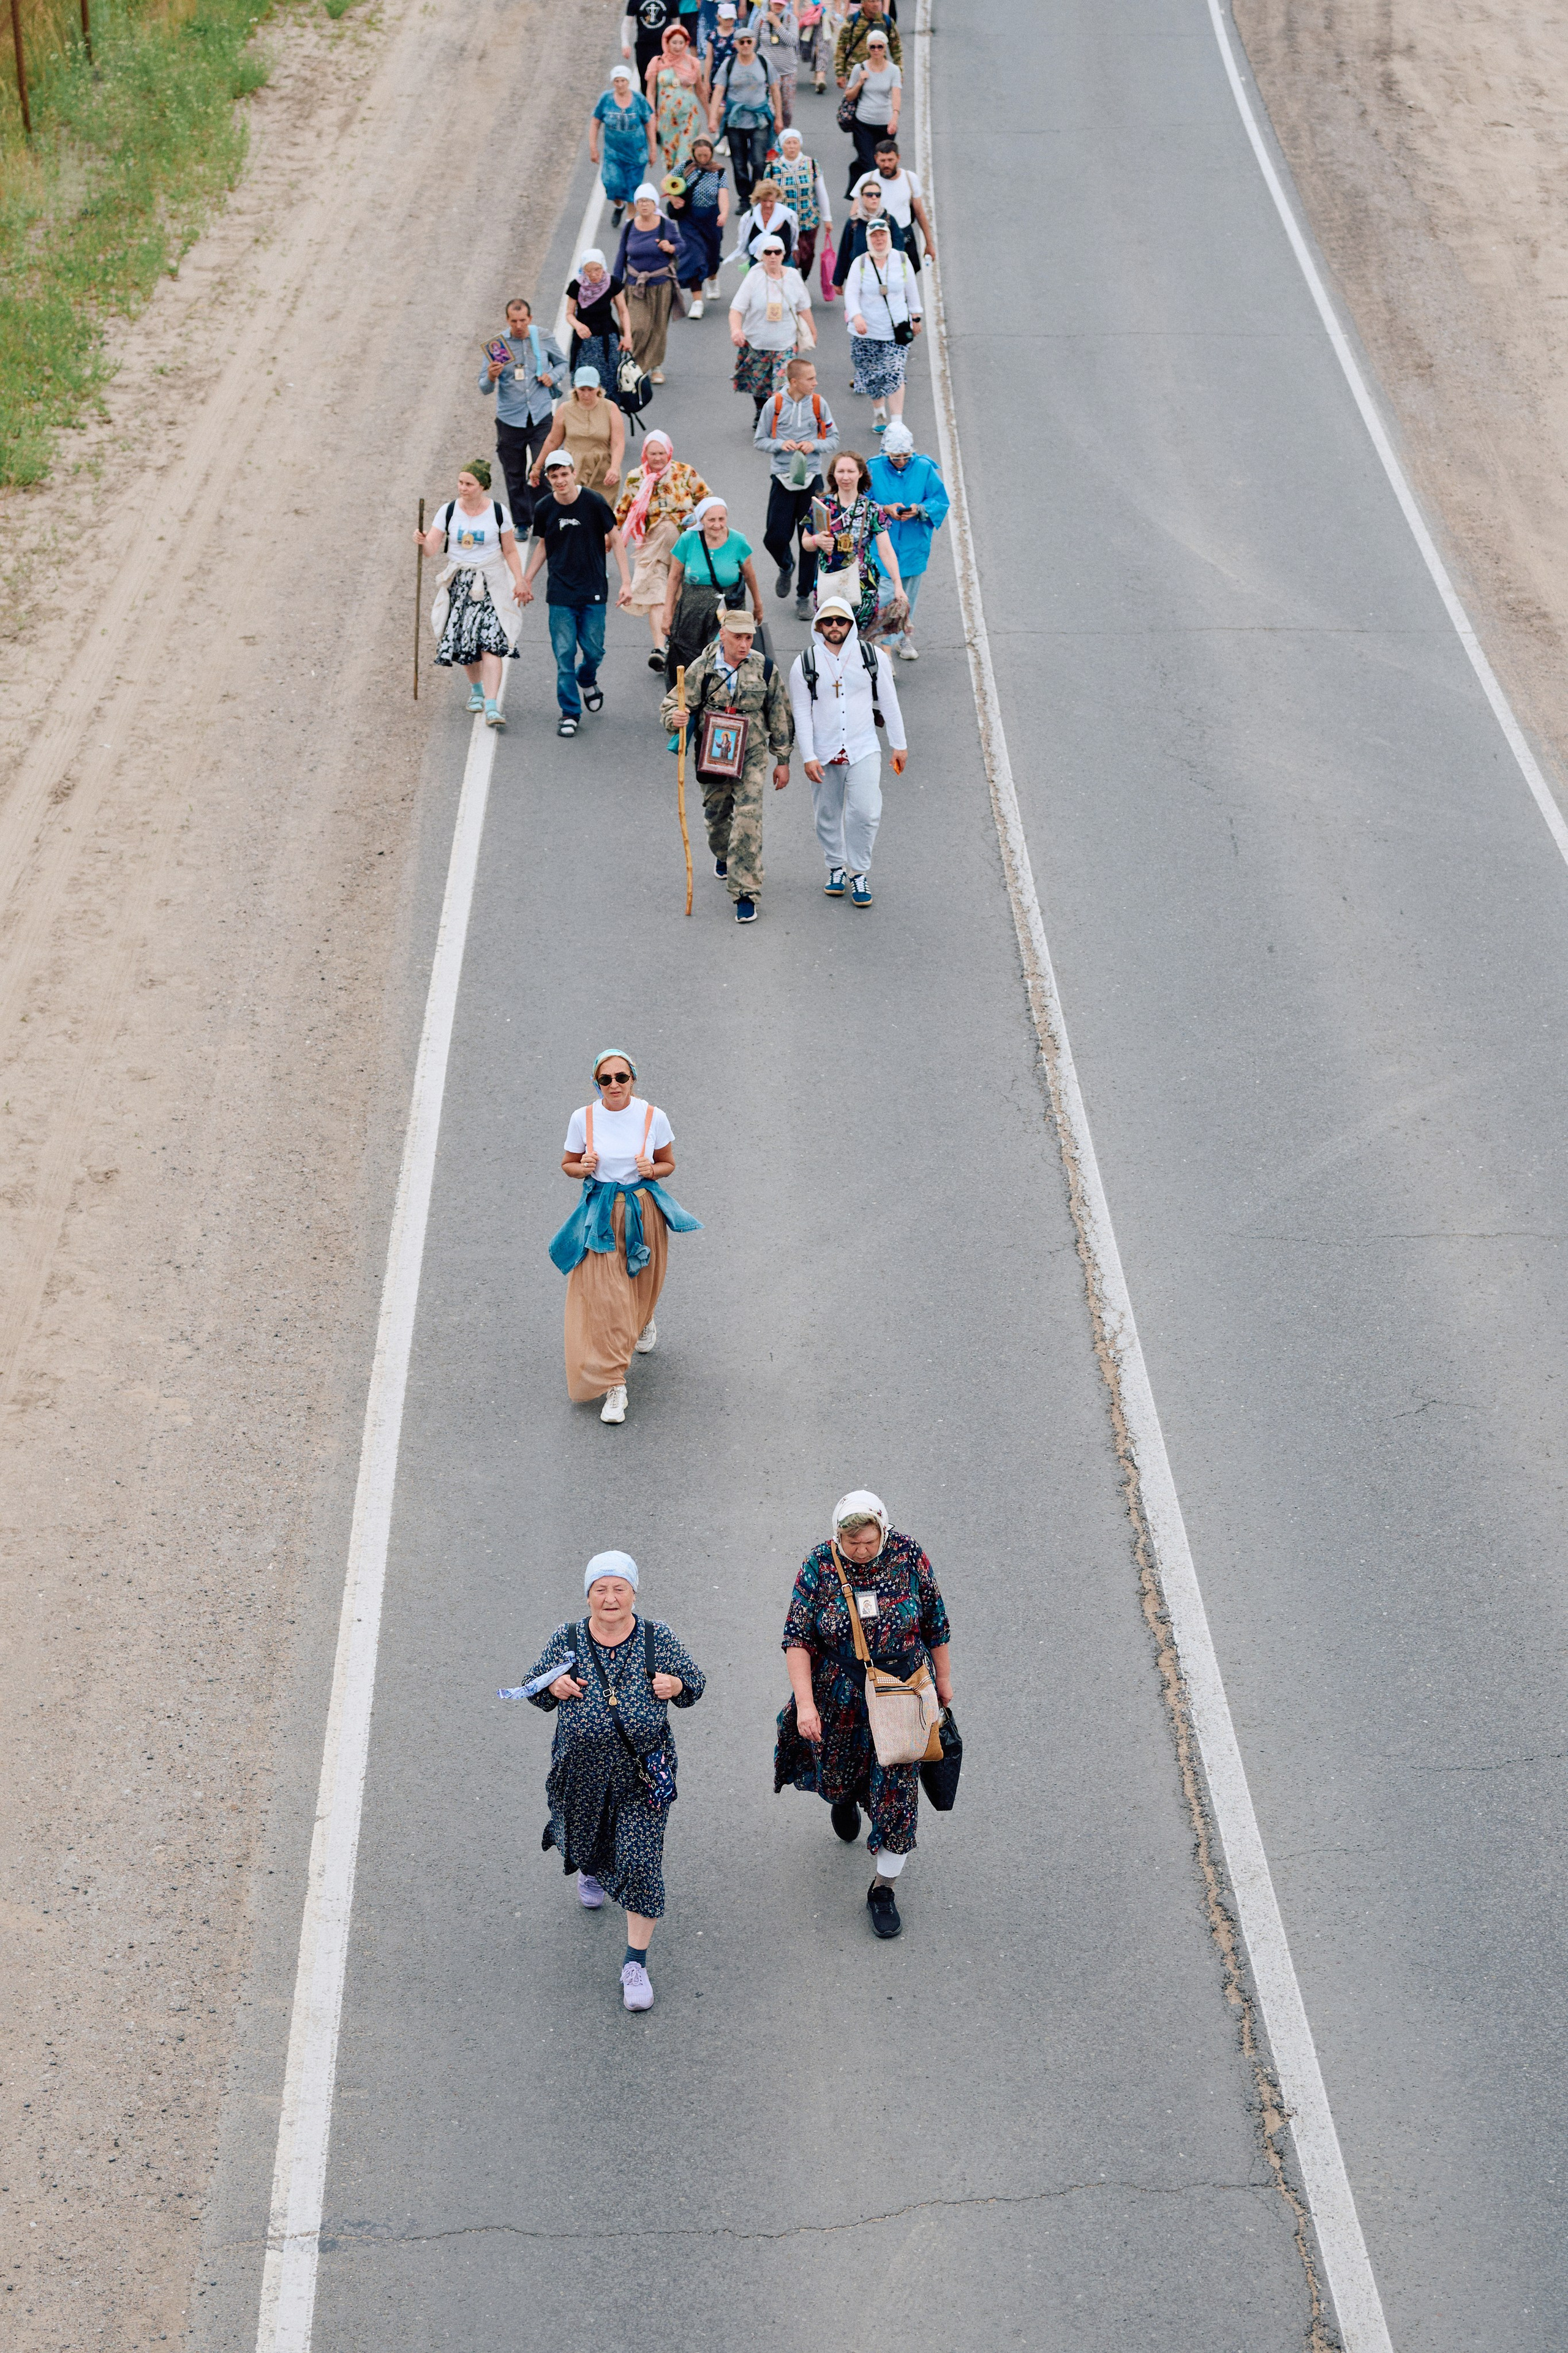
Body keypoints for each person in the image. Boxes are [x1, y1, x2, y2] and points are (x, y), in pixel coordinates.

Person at [523, 1549, 706, 2009]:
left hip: (642, 1773)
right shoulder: (566, 1639)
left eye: (619, 1589)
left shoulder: (656, 1638)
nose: (610, 1598)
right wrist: (551, 1686)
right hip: (581, 1771)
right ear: (588, 1596)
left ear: (633, 1593)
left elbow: (695, 1684)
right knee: (588, 1840)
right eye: (600, 1589)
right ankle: (591, 1868)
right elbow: (532, 1688)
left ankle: (635, 1964)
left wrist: (677, 1686)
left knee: (642, 1863)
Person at [774, 1491, 952, 1941]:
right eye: (851, 1541)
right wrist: (806, 1705)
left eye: (868, 1540)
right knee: (839, 1775)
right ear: (837, 1536)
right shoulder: (820, 1563)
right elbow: (797, 1637)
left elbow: (936, 1621)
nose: (860, 1550)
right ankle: (844, 1798)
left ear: (883, 1531)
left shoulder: (909, 1555)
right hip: (840, 1694)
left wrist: (944, 1682)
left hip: (904, 1694)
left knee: (897, 1794)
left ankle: (883, 1890)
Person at [550, 1051, 701, 1417]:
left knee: (643, 1282)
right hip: (600, 1214)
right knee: (608, 1297)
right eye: (606, 1080)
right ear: (597, 1083)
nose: (614, 1085)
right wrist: (580, 1166)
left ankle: (644, 1317)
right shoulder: (583, 1118)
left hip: (642, 1209)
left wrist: (653, 1170)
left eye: (621, 1077)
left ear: (633, 1078)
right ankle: (615, 1385)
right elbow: (568, 1164)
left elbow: (669, 1163)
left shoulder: (653, 1117)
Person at [658, 606, 793, 923]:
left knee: (748, 820)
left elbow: (780, 713)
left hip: (752, 753)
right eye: (738, 638)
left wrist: (783, 759)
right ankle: (724, 854)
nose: (744, 645)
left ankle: (746, 892)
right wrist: (675, 717)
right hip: (714, 752)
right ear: (723, 635)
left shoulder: (765, 668)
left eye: (749, 638)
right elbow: (672, 703)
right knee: (717, 817)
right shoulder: (701, 669)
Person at [788, 592, 905, 902]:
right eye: (828, 621)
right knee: (827, 813)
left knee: (865, 812)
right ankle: (835, 867)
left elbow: (890, 702)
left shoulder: (873, 657)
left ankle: (860, 873)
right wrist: (808, 756)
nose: (835, 625)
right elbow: (800, 712)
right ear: (819, 625)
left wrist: (899, 744)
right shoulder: (805, 663)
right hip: (824, 751)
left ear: (850, 624)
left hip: (863, 746)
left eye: (841, 620)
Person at [519, 451, 633, 737]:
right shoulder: (545, 508)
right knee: (564, 654)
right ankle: (570, 712)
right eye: (554, 476)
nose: (560, 481)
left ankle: (588, 677)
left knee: (594, 650)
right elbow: (544, 545)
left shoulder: (594, 502)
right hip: (560, 593)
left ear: (573, 472)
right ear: (548, 479)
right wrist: (526, 580)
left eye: (564, 474)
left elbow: (616, 540)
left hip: (593, 589)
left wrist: (627, 582)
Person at [416, 462, 524, 731]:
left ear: (483, 487)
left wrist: (520, 579)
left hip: (490, 582)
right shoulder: (449, 511)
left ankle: (491, 705)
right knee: (467, 642)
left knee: (491, 642)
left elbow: (510, 550)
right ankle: (476, 690)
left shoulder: (499, 512)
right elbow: (432, 549)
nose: (462, 488)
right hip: (460, 583)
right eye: (461, 482)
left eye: (469, 484)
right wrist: (422, 542)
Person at [614, 430, 709, 668]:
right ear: (645, 454)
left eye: (661, 453)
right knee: (657, 595)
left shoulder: (685, 472)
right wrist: (608, 536)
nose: (657, 458)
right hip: (651, 547)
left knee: (677, 595)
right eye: (652, 453)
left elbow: (706, 501)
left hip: (685, 546)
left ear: (669, 453)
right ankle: (660, 648)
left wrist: (698, 520)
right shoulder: (636, 477)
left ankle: (675, 643)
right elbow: (623, 509)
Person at [754, 354, 838, 616]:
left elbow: (833, 439)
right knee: (775, 536)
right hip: (782, 478)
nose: (815, 383)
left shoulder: (819, 404)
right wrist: (780, 444)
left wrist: (815, 445)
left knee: (812, 541)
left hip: (812, 480)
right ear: (794, 381)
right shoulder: (774, 404)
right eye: (810, 379)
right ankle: (786, 564)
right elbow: (760, 440)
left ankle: (804, 596)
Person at [476, 298, 565, 537]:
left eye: (523, 320)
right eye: (513, 321)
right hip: (510, 420)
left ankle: (547, 521)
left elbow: (562, 363)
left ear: (530, 319)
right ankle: (522, 522)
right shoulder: (497, 346)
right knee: (514, 474)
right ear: (507, 320)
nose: (518, 325)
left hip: (540, 417)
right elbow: (483, 387)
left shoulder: (543, 337)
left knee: (545, 469)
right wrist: (492, 377)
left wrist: (552, 376)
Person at [660, 494, 765, 683]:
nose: (717, 524)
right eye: (711, 520)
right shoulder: (688, 540)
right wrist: (667, 613)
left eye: (721, 519)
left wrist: (758, 604)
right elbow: (674, 577)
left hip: (729, 608)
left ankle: (721, 699)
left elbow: (750, 575)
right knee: (687, 655)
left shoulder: (738, 541)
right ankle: (687, 699)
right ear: (701, 520)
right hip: (693, 611)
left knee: (725, 653)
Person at [868, 418, 947, 658]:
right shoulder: (873, 468)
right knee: (886, 594)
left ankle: (904, 638)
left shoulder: (924, 467)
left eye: (905, 456)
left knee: (909, 595)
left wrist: (920, 509)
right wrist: (886, 509)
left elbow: (939, 500)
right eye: (895, 457)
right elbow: (863, 503)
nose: (901, 461)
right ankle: (883, 647)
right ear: (885, 453)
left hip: (914, 544)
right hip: (884, 544)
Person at [804, 446, 903, 629]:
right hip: (829, 581)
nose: (846, 477)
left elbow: (886, 551)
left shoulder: (872, 509)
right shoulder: (822, 505)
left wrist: (898, 584)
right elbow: (806, 542)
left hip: (863, 586)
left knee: (861, 640)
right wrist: (816, 541)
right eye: (841, 471)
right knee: (832, 635)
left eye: (851, 471)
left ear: (860, 474)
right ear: (833, 475)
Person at [843, 213, 921, 429]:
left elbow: (911, 290)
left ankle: (897, 423)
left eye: (882, 235)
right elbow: (851, 293)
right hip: (866, 331)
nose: (879, 240)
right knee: (872, 375)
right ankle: (879, 412)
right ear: (869, 239)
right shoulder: (860, 263)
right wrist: (857, 315)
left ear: (889, 237)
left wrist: (916, 317)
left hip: (896, 330)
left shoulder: (901, 260)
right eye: (875, 236)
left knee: (895, 371)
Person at [728, 233, 814, 418]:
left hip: (786, 344)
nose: (773, 256)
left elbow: (804, 308)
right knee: (759, 385)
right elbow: (736, 310)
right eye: (768, 252)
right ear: (762, 255)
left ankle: (778, 418)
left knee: (783, 387)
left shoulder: (793, 277)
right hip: (757, 343)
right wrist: (736, 330)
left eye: (777, 252)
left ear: (783, 255)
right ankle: (761, 411)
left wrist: (812, 331)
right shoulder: (754, 278)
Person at [614, 184, 682, 382]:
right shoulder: (630, 227)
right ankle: (636, 364)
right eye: (640, 201)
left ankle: (655, 367)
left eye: (648, 201)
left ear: (655, 204)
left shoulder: (665, 225)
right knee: (637, 326)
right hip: (635, 286)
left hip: (661, 285)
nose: (644, 205)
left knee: (658, 328)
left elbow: (681, 246)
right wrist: (616, 287)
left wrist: (671, 247)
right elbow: (621, 256)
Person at [709, 26, 779, 211]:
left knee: (758, 161)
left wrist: (778, 117)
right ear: (736, 45)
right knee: (739, 163)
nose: (746, 45)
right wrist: (713, 118)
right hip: (735, 121)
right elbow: (719, 91)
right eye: (742, 42)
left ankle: (757, 195)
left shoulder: (763, 62)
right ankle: (744, 199)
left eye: (749, 41)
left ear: (754, 43)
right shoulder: (729, 64)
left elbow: (775, 89)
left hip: (759, 120)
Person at [530, 366, 627, 499]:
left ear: (598, 388)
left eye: (591, 389)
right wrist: (537, 467)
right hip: (572, 472)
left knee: (600, 514)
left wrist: (615, 468)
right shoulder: (565, 409)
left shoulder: (611, 408)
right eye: (582, 390)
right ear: (575, 388)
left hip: (603, 472)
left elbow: (618, 442)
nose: (586, 394)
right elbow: (553, 441)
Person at [666, 134, 728, 315]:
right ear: (693, 153)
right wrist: (673, 197)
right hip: (689, 218)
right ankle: (697, 302)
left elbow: (723, 194)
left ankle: (713, 279)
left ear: (711, 153)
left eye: (706, 155)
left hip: (711, 218)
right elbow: (666, 182)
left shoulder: (719, 171)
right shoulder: (685, 167)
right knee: (694, 254)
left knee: (711, 254)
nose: (702, 159)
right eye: (699, 155)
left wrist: (724, 213)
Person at [592, 66, 658, 227]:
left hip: (636, 153)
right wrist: (593, 147)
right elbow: (595, 122)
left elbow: (649, 124)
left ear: (628, 82)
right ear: (613, 82)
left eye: (623, 81)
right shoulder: (606, 99)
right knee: (611, 183)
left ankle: (629, 222)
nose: (620, 84)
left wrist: (653, 149)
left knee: (632, 188)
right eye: (617, 81)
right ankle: (618, 206)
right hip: (613, 153)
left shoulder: (638, 100)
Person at [839, 26, 901, 195]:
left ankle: (879, 193)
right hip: (863, 123)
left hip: (885, 124)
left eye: (879, 47)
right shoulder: (860, 69)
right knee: (869, 162)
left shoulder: (893, 70)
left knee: (885, 163)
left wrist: (894, 117)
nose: (876, 50)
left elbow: (896, 94)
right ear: (868, 48)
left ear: (885, 48)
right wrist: (860, 83)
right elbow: (849, 96)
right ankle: (869, 195)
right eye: (872, 47)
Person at [645, 21, 709, 181]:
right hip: (666, 120)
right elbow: (651, 92)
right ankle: (674, 195)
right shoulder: (658, 62)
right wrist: (651, 114)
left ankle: (685, 193)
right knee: (669, 158)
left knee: (684, 158)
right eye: (674, 42)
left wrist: (710, 116)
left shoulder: (693, 63)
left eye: (681, 43)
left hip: (689, 117)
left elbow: (700, 91)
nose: (678, 46)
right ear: (667, 43)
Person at [564, 249, 633, 396]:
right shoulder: (576, 286)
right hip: (584, 342)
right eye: (589, 271)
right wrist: (578, 325)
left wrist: (627, 336)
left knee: (610, 384)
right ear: (583, 270)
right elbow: (569, 314)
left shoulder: (612, 283)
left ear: (603, 266)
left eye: (597, 269)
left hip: (608, 339)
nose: (594, 275)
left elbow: (623, 311)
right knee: (584, 384)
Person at [831, 173, 911, 296]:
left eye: (878, 195)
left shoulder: (889, 221)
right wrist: (838, 280)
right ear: (861, 197)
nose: (874, 198)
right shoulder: (854, 223)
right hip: (859, 277)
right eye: (869, 195)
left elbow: (899, 249)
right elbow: (844, 252)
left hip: (885, 276)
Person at [772, 126, 831, 284]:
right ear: (782, 146)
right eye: (788, 143)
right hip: (784, 221)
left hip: (808, 219)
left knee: (807, 254)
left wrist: (827, 218)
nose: (792, 146)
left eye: (795, 143)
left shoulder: (811, 164)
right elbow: (767, 195)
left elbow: (821, 192)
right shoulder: (773, 168)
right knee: (789, 254)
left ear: (800, 145)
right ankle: (791, 281)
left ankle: (802, 277)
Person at [870, 135, 935, 262]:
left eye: (890, 160)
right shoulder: (868, 179)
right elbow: (855, 212)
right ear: (876, 159)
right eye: (883, 161)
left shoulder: (910, 179)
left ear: (898, 159)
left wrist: (929, 244)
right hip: (878, 236)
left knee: (907, 275)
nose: (887, 165)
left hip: (904, 234)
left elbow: (920, 213)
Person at [731, 178, 798, 267]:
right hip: (757, 264)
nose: (768, 205)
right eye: (764, 201)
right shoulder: (748, 218)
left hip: (784, 264)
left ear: (777, 198)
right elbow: (743, 241)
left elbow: (794, 239)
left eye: (771, 201)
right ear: (758, 199)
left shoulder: (789, 216)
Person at [833, 0, 900, 85]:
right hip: (856, 74)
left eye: (878, 1)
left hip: (880, 73)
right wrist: (840, 74)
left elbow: (896, 49)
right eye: (872, 2)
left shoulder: (886, 21)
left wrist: (899, 73)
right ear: (863, 3)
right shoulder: (853, 21)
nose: (876, 5)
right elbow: (841, 48)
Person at [760, 0, 799, 126]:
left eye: (781, 3)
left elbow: (792, 41)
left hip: (788, 72)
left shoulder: (790, 19)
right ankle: (772, 138)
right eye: (776, 3)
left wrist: (777, 24)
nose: (778, 6)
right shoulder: (760, 19)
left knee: (786, 110)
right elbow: (754, 44)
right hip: (768, 73)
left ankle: (785, 137)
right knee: (771, 109)